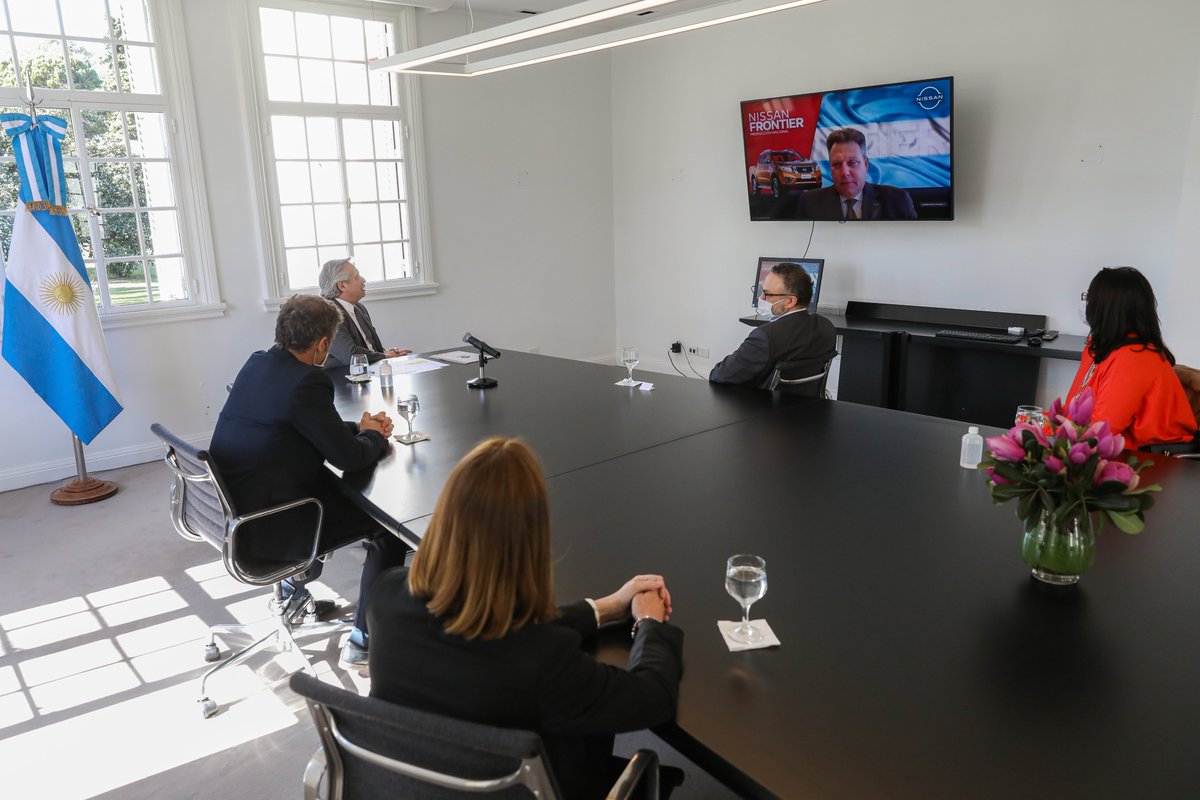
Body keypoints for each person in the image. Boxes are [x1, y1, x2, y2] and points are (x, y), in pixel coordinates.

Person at [368, 437, 683, 800]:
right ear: (529, 542)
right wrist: (650, 623)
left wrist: (606, 607)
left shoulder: (386, 596)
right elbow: (652, 698)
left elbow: (496, 625)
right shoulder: (542, 662)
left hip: (409, 784)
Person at [210, 294, 410, 666]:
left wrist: (359, 427)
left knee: (337, 491)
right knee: (387, 525)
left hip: (236, 507)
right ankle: (364, 638)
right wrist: (375, 437)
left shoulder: (257, 363)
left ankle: (292, 587)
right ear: (322, 344)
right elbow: (347, 458)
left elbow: (303, 424)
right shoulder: (308, 382)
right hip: (275, 520)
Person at [1066, 267, 1196, 450]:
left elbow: (1102, 429)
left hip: (1156, 461)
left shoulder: (1136, 357)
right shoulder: (1095, 347)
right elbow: (1072, 412)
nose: (1085, 302)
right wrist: (1037, 425)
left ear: (1106, 307)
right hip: (1106, 448)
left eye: (1089, 297)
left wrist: (1047, 432)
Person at [709, 262, 837, 387]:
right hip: (810, 406)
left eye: (767, 293)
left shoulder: (765, 336)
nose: (761, 298)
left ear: (790, 301)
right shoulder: (826, 326)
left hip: (763, 407)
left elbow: (721, 375)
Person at [798, 128, 917, 221]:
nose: (845, 172)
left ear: (865, 165)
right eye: (837, 164)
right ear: (830, 167)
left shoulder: (898, 201)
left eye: (852, 162)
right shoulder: (809, 203)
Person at [317, 257, 412, 368]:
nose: (363, 280)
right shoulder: (327, 314)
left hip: (370, 371)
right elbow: (350, 355)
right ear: (342, 285)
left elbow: (371, 347)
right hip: (344, 378)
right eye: (357, 277)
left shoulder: (359, 308)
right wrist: (384, 356)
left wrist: (386, 354)